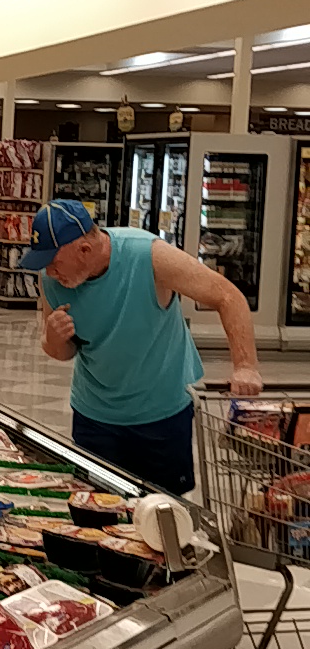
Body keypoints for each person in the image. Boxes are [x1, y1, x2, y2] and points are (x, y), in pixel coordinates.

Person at [23, 198, 262, 495]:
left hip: (162, 415)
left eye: (53, 262)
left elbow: (228, 296)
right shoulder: (52, 281)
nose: (49, 272)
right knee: (97, 507)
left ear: (84, 250)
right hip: (94, 417)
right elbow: (65, 351)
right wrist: (53, 340)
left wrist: (245, 366)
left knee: (163, 510)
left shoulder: (148, 256)